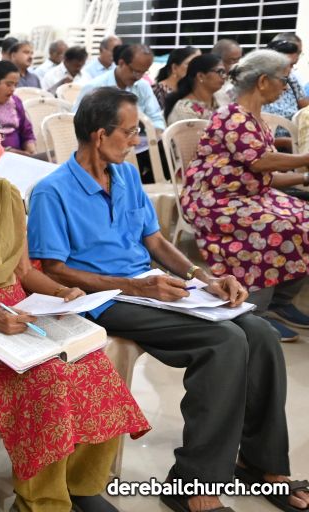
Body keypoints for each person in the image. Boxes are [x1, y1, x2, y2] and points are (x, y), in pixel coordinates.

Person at [29, 87, 306, 512]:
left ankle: (260, 463)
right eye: (129, 132)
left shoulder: (125, 176)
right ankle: (193, 485)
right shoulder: (53, 190)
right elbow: (53, 269)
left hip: (149, 287)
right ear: (100, 135)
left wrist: (204, 277)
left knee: (261, 334)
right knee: (225, 341)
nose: (136, 140)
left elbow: (155, 241)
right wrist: (135, 288)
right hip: (103, 298)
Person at [0, 106, 149, 512]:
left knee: (94, 365)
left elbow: (23, 272)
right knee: (46, 378)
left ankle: (81, 486)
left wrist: (62, 291)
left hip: (15, 313)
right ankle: (40, 501)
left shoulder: (7, 196)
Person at [180, 49, 309, 341]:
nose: (286, 87)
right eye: (283, 80)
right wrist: (305, 159)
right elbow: (261, 161)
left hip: (250, 196)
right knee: (275, 227)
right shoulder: (232, 116)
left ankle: (280, 302)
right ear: (263, 81)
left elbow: (265, 175)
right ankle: (254, 311)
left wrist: (304, 177)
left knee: (304, 219)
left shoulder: (256, 119)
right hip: (214, 201)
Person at [75, 44, 166, 132]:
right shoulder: (95, 87)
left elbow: (156, 118)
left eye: (143, 72)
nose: (138, 77)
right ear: (121, 63)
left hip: (138, 138)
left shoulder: (143, 86)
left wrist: (156, 133)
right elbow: (77, 122)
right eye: (136, 71)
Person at [0, 61, 37, 155]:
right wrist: (4, 152)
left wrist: (31, 149)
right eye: (8, 84)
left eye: (15, 85)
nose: (13, 89)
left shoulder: (15, 101)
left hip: (19, 156)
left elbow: (26, 131)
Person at [261, 36, 309, 139]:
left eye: (292, 65)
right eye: (287, 65)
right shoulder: (256, 83)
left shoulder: (292, 79)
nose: (290, 70)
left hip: (294, 140)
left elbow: (306, 109)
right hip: (264, 143)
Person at [163, 54, 226, 125]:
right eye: (220, 72)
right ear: (200, 76)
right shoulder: (185, 110)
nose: (224, 76)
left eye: (224, 72)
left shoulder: (221, 99)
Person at [153, 46, 201, 113]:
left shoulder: (195, 91)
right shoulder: (158, 92)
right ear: (174, 68)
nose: (197, 68)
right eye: (190, 64)